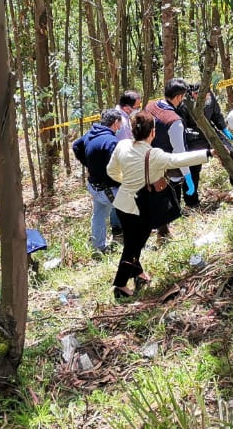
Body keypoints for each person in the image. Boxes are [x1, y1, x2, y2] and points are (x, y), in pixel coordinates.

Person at [107, 111, 211, 299]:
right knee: (132, 246)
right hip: (139, 207)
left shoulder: (122, 145)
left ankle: (138, 274)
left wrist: (128, 181)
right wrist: (208, 153)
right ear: (153, 132)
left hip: (123, 203)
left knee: (136, 242)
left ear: (132, 131)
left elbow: (111, 170)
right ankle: (120, 286)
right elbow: (179, 159)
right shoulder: (153, 154)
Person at [176, 81, 233, 201]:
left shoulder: (210, 97)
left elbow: (216, 114)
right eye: (203, 95)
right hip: (194, 136)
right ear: (195, 95)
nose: (207, 97)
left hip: (211, 131)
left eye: (208, 94)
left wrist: (224, 128)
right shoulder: (184, 104)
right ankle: (192, 200)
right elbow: (182, 126)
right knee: (194, 165)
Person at [72, 108, 125, 253]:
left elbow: (76, 145)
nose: (120, 127)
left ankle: (99, 248)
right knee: (133, 212)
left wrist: (89, 164)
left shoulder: (90, 134)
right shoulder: (111, 141)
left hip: (94, 186)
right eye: (120, 123)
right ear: (115, 123)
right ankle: (137, 245)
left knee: (99, 216)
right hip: (109, 189)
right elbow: (116, 168)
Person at [144, 78, 195, 211]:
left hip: (150, 160)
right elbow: (180, 152)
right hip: (168, 165)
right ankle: (170, 220)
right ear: (178, 97)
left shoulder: (150, 106)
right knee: (172, 194)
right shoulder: (174, 122)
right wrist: (188, 177)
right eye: (183, 97)